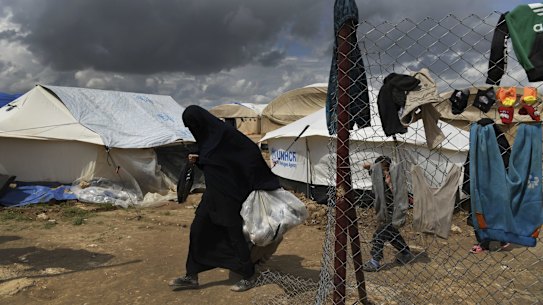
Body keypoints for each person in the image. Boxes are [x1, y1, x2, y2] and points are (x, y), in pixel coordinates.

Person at [169, 105, 280, 292]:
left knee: (233, 236)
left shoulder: (226, 135)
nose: (192, 130)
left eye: (193, 125)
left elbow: (250, 154)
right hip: (212, 195)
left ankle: (248, 275)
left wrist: (262, 182)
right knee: (198, 230)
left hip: (230, 196)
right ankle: (191, 275)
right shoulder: (207, 140)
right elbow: (213, 166)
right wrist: (197, 160)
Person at [362, 156, 413, 272]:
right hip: (384, 212)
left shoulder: (394, 178)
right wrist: (373, 167)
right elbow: (367, 167)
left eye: (384, 169)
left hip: (394, 212)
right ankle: (406, 252)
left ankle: (375, 261)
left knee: (379, 235)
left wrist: (389, 180)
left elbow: (399, 194)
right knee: (392, 235)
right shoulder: (377, 176)